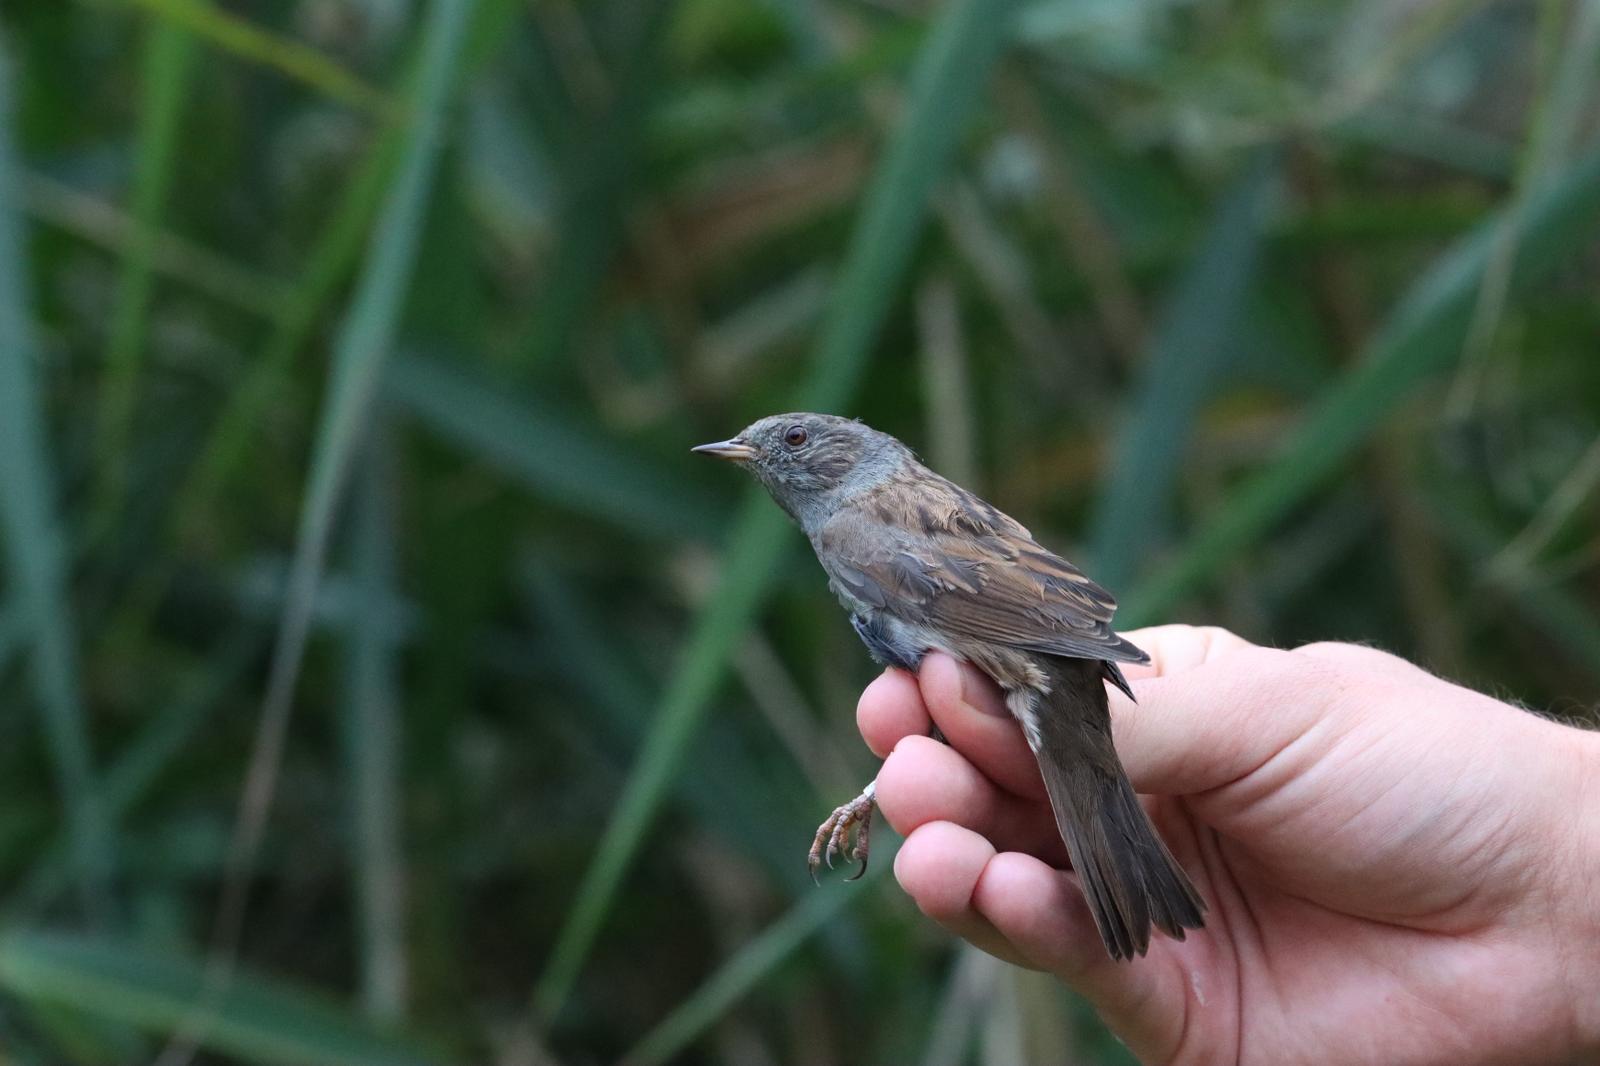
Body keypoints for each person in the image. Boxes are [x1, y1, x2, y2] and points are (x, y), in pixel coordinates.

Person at [856, 624, 1600, 1065]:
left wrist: (1560, 859)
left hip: (1033, 657)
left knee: (971, 766)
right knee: (948, 786)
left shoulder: (867, 523)